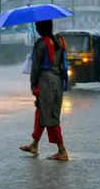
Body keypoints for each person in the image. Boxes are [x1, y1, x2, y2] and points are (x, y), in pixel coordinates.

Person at [20, 20, 69, 161]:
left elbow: (35, 68)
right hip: (57, 82)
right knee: (42, 112)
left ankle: (62, 150)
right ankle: (34, 144)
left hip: (45, 82)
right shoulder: (59, 42)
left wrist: (33, 85)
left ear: (41, 28)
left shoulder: (41, 44)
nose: (36, 28)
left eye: (37, 26)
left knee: (50, 116)